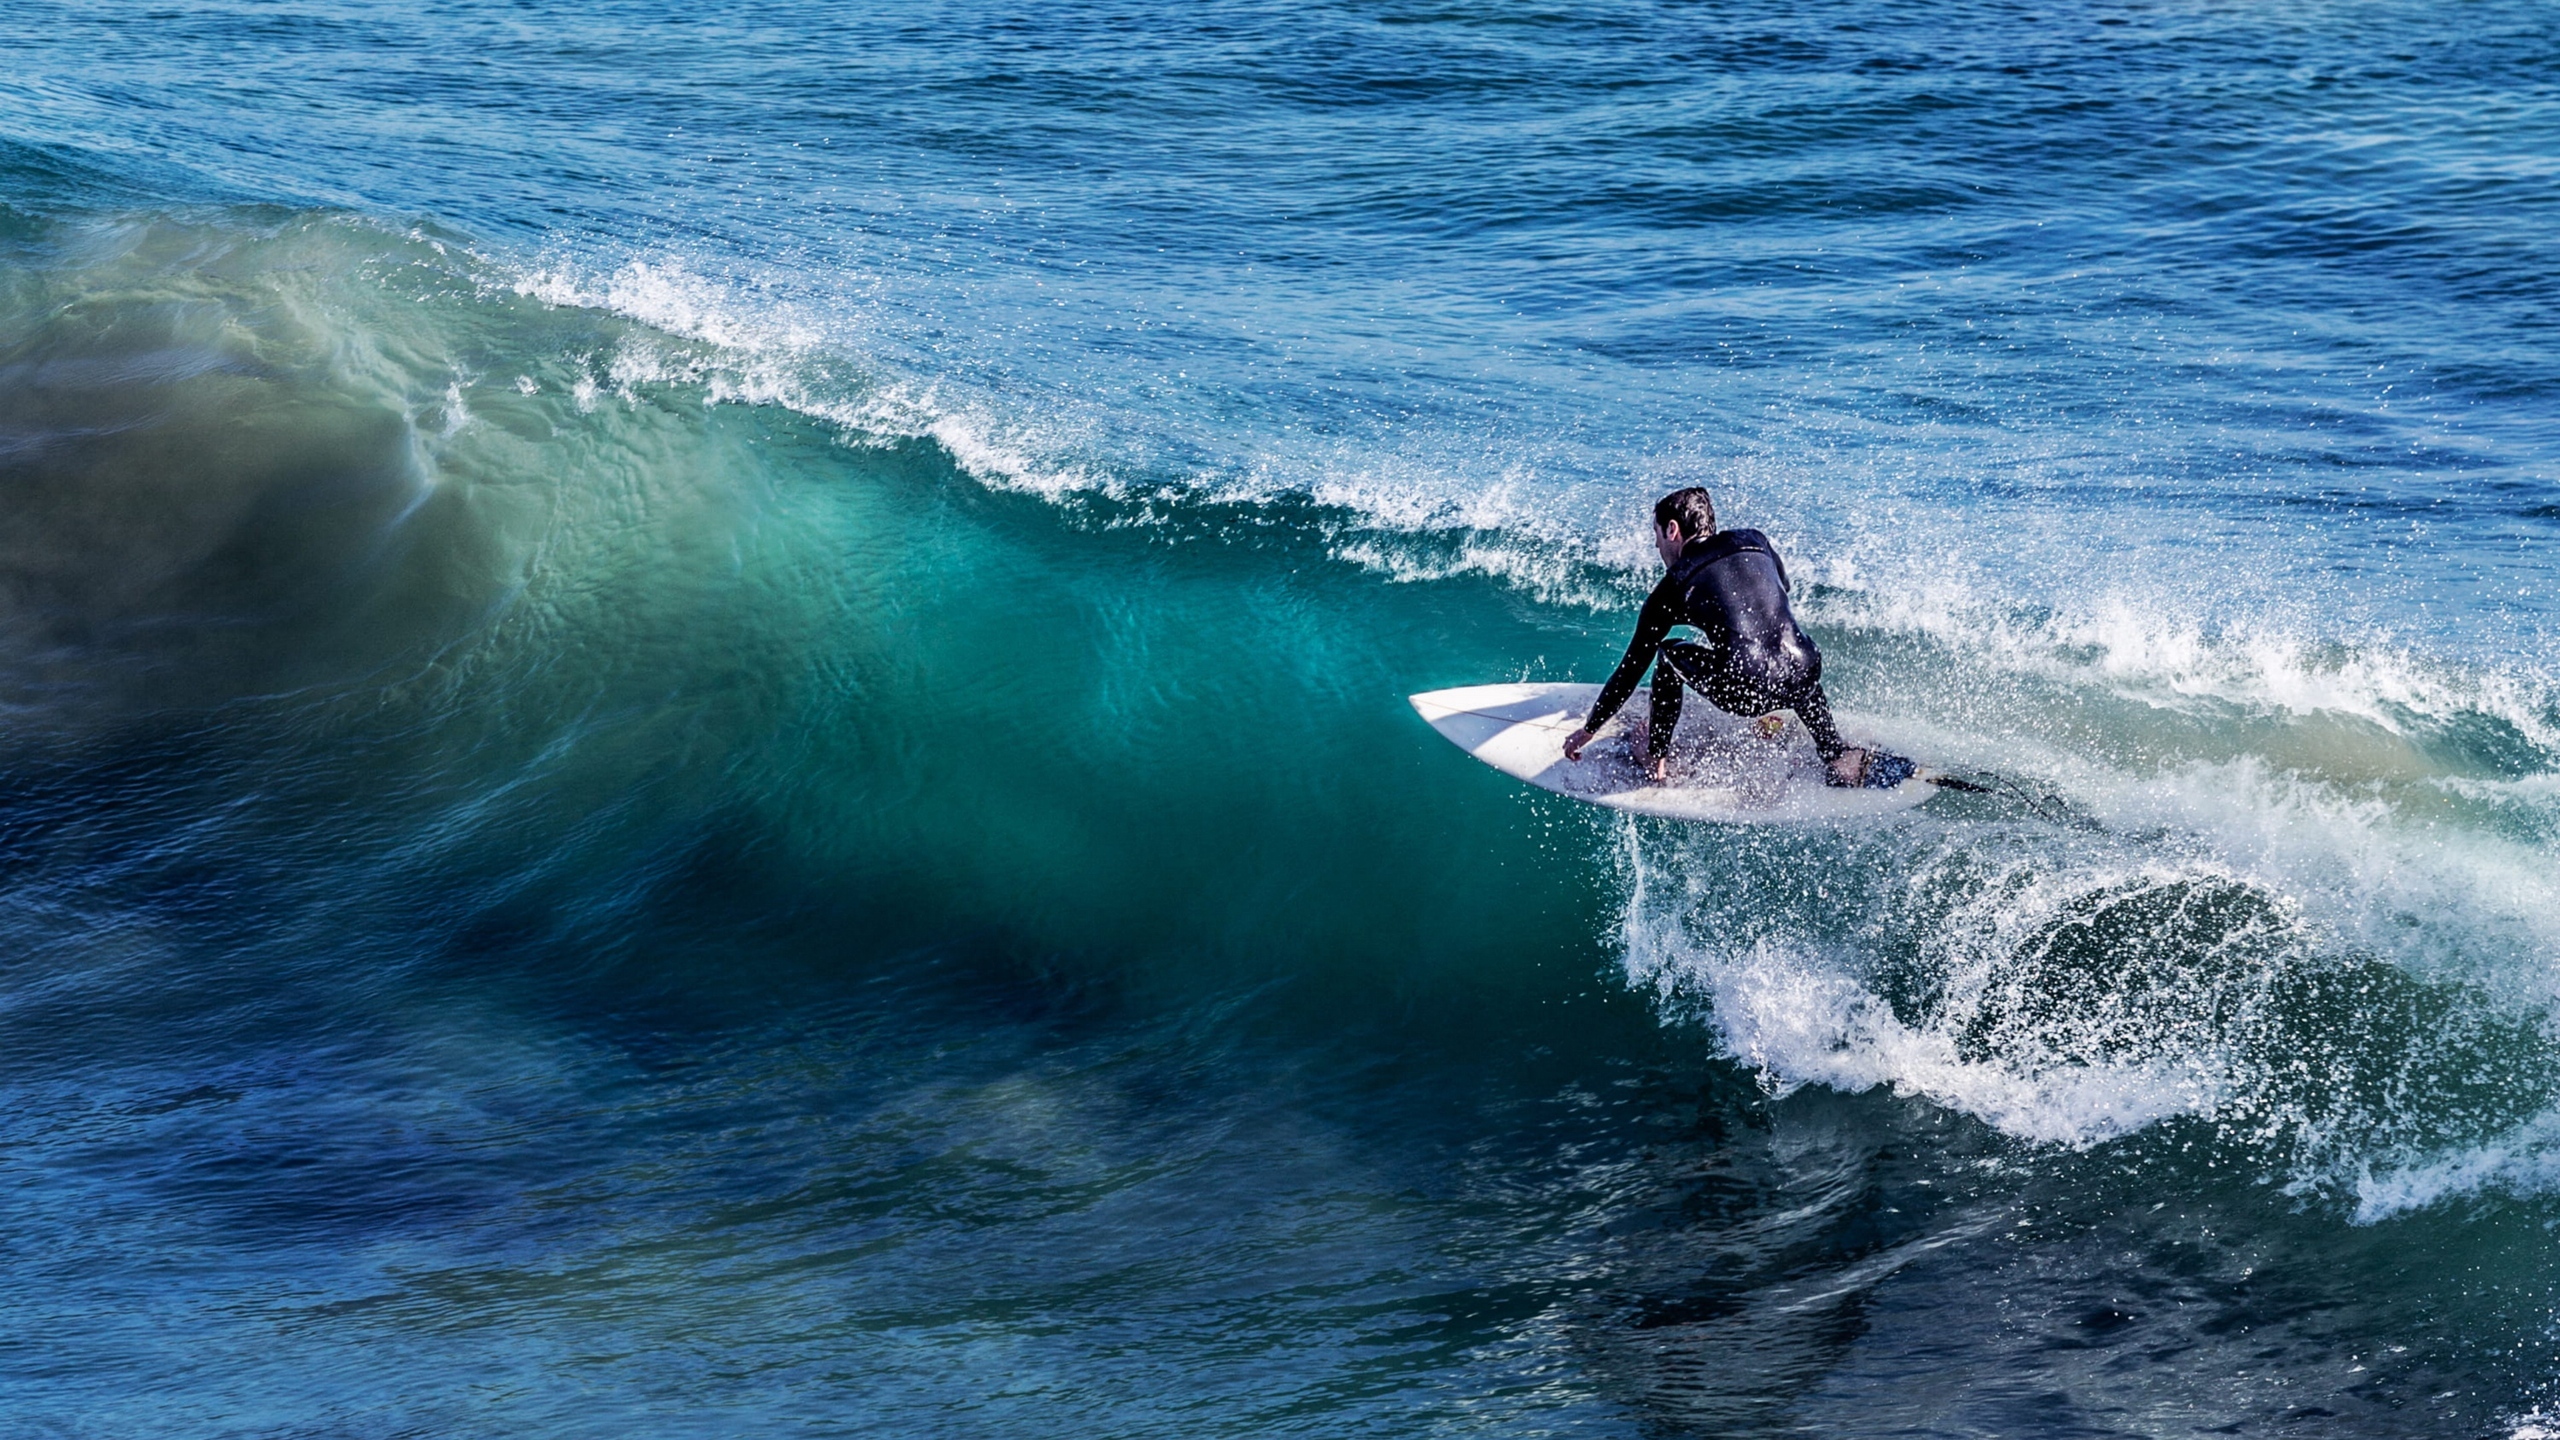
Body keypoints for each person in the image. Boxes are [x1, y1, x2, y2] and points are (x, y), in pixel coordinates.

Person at [1560, 487, 1904, 788]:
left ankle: (1656, 757)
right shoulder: (1755, 541)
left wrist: (1590, 729)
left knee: (1667, 655)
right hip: (1806, 672)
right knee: (1787, 648)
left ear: (1673, 529)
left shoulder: (1674, 585)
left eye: (1657, 535)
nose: (1656, 545)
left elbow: (1631, 669)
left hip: (1746, 692)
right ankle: (1836, 755)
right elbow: (1780, 589)